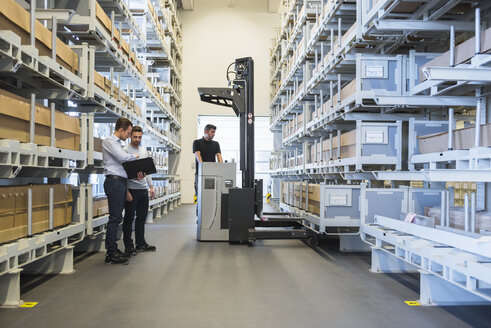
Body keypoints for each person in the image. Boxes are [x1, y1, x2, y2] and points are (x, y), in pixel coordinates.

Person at [102, 118, 144, 265]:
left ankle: (113, 249)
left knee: (117, 217)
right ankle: (111, 253)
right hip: (114, 182)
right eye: (128, 133)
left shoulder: (118, 144)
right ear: (121, 130)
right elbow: (123, 158)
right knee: (115, 218)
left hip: (120, 181)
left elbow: (124, 165)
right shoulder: (109, 141)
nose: (129, 135)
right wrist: (135, 156)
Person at [122, 126, 157, 256]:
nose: (137, 139)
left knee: (142, 218)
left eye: (139, 137)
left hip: (143, 190)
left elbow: (147, 172)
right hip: (132, 189)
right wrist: (126, 191)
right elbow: (123, 173)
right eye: (135, 137)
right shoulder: (125, 151)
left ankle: (140, 243)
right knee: (129, 218)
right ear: (130, 136)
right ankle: (129, 246)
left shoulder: (143, 151)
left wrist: (151, 187)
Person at [193, 124, 223, 201]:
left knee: (212, 196)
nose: (214, 134)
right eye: (212, 132)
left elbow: (219, 156)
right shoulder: (197, 142)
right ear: (206, 131)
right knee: (200, 195)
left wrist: (222, 168)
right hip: (200, 174)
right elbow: (198, 155)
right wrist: (203, 168)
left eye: (214, 132)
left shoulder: (216, 144)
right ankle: (199, 212)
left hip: (212, 174)